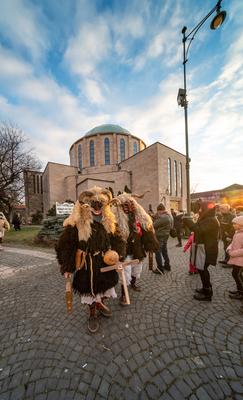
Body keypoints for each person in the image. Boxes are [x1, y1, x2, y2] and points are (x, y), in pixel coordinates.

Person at [56, 187, 126, 333]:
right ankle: (92, 312)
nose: (97, 208)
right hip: (86, 264)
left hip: (105, 261)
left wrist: (119, 257)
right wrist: (67, 267)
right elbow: (66, 245)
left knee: (105, 287)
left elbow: (118, 240)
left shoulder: (109, 221)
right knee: (89, 290)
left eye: (100, 204)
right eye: (93, 204)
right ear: (86, 205)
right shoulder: (78, 222)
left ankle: (100, 304)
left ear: (105, 204)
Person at [111, 192, 159, 305]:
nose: (129, 207)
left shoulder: (140, 217)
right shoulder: (115, 220)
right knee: (124, 273)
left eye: (131, 204)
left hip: (137, 248)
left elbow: (147, 230)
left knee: (137, 269)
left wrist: (150, 243)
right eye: (125, 205)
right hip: (124, 250)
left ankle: (133, 283)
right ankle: (124, 294)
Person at [183, 201, 220, 301]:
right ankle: (205, 288)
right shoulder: (207, 218)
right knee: (200, 268)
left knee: (203, 269)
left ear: (206, 209)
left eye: (201, 208)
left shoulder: (211, 220)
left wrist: (189, 221)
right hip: (204, 248)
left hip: (207, 249)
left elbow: (199, 230)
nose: (199, 210)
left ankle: (208, 293)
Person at [226, 216, 243, 300]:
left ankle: (241, 293)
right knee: (237, 274)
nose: (233, 225)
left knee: (236, 274)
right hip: (237, 259)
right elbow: (232, 243)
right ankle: (239, 290)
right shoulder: (237, 233)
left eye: (234, 223)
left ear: (240, 224)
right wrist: (229, 249)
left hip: (240, 260)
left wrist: (232, 253)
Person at [153, 203, 173, 273]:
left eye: (158, 211)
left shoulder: (163, 217)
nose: (157, 213)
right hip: (166, 236)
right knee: (164, 251)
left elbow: (154, 225)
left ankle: (160, 268)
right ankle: (167, 266)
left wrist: (155, 217)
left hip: (160, 236)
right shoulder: (169, 215)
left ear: (160, 210)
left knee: (158, 252)